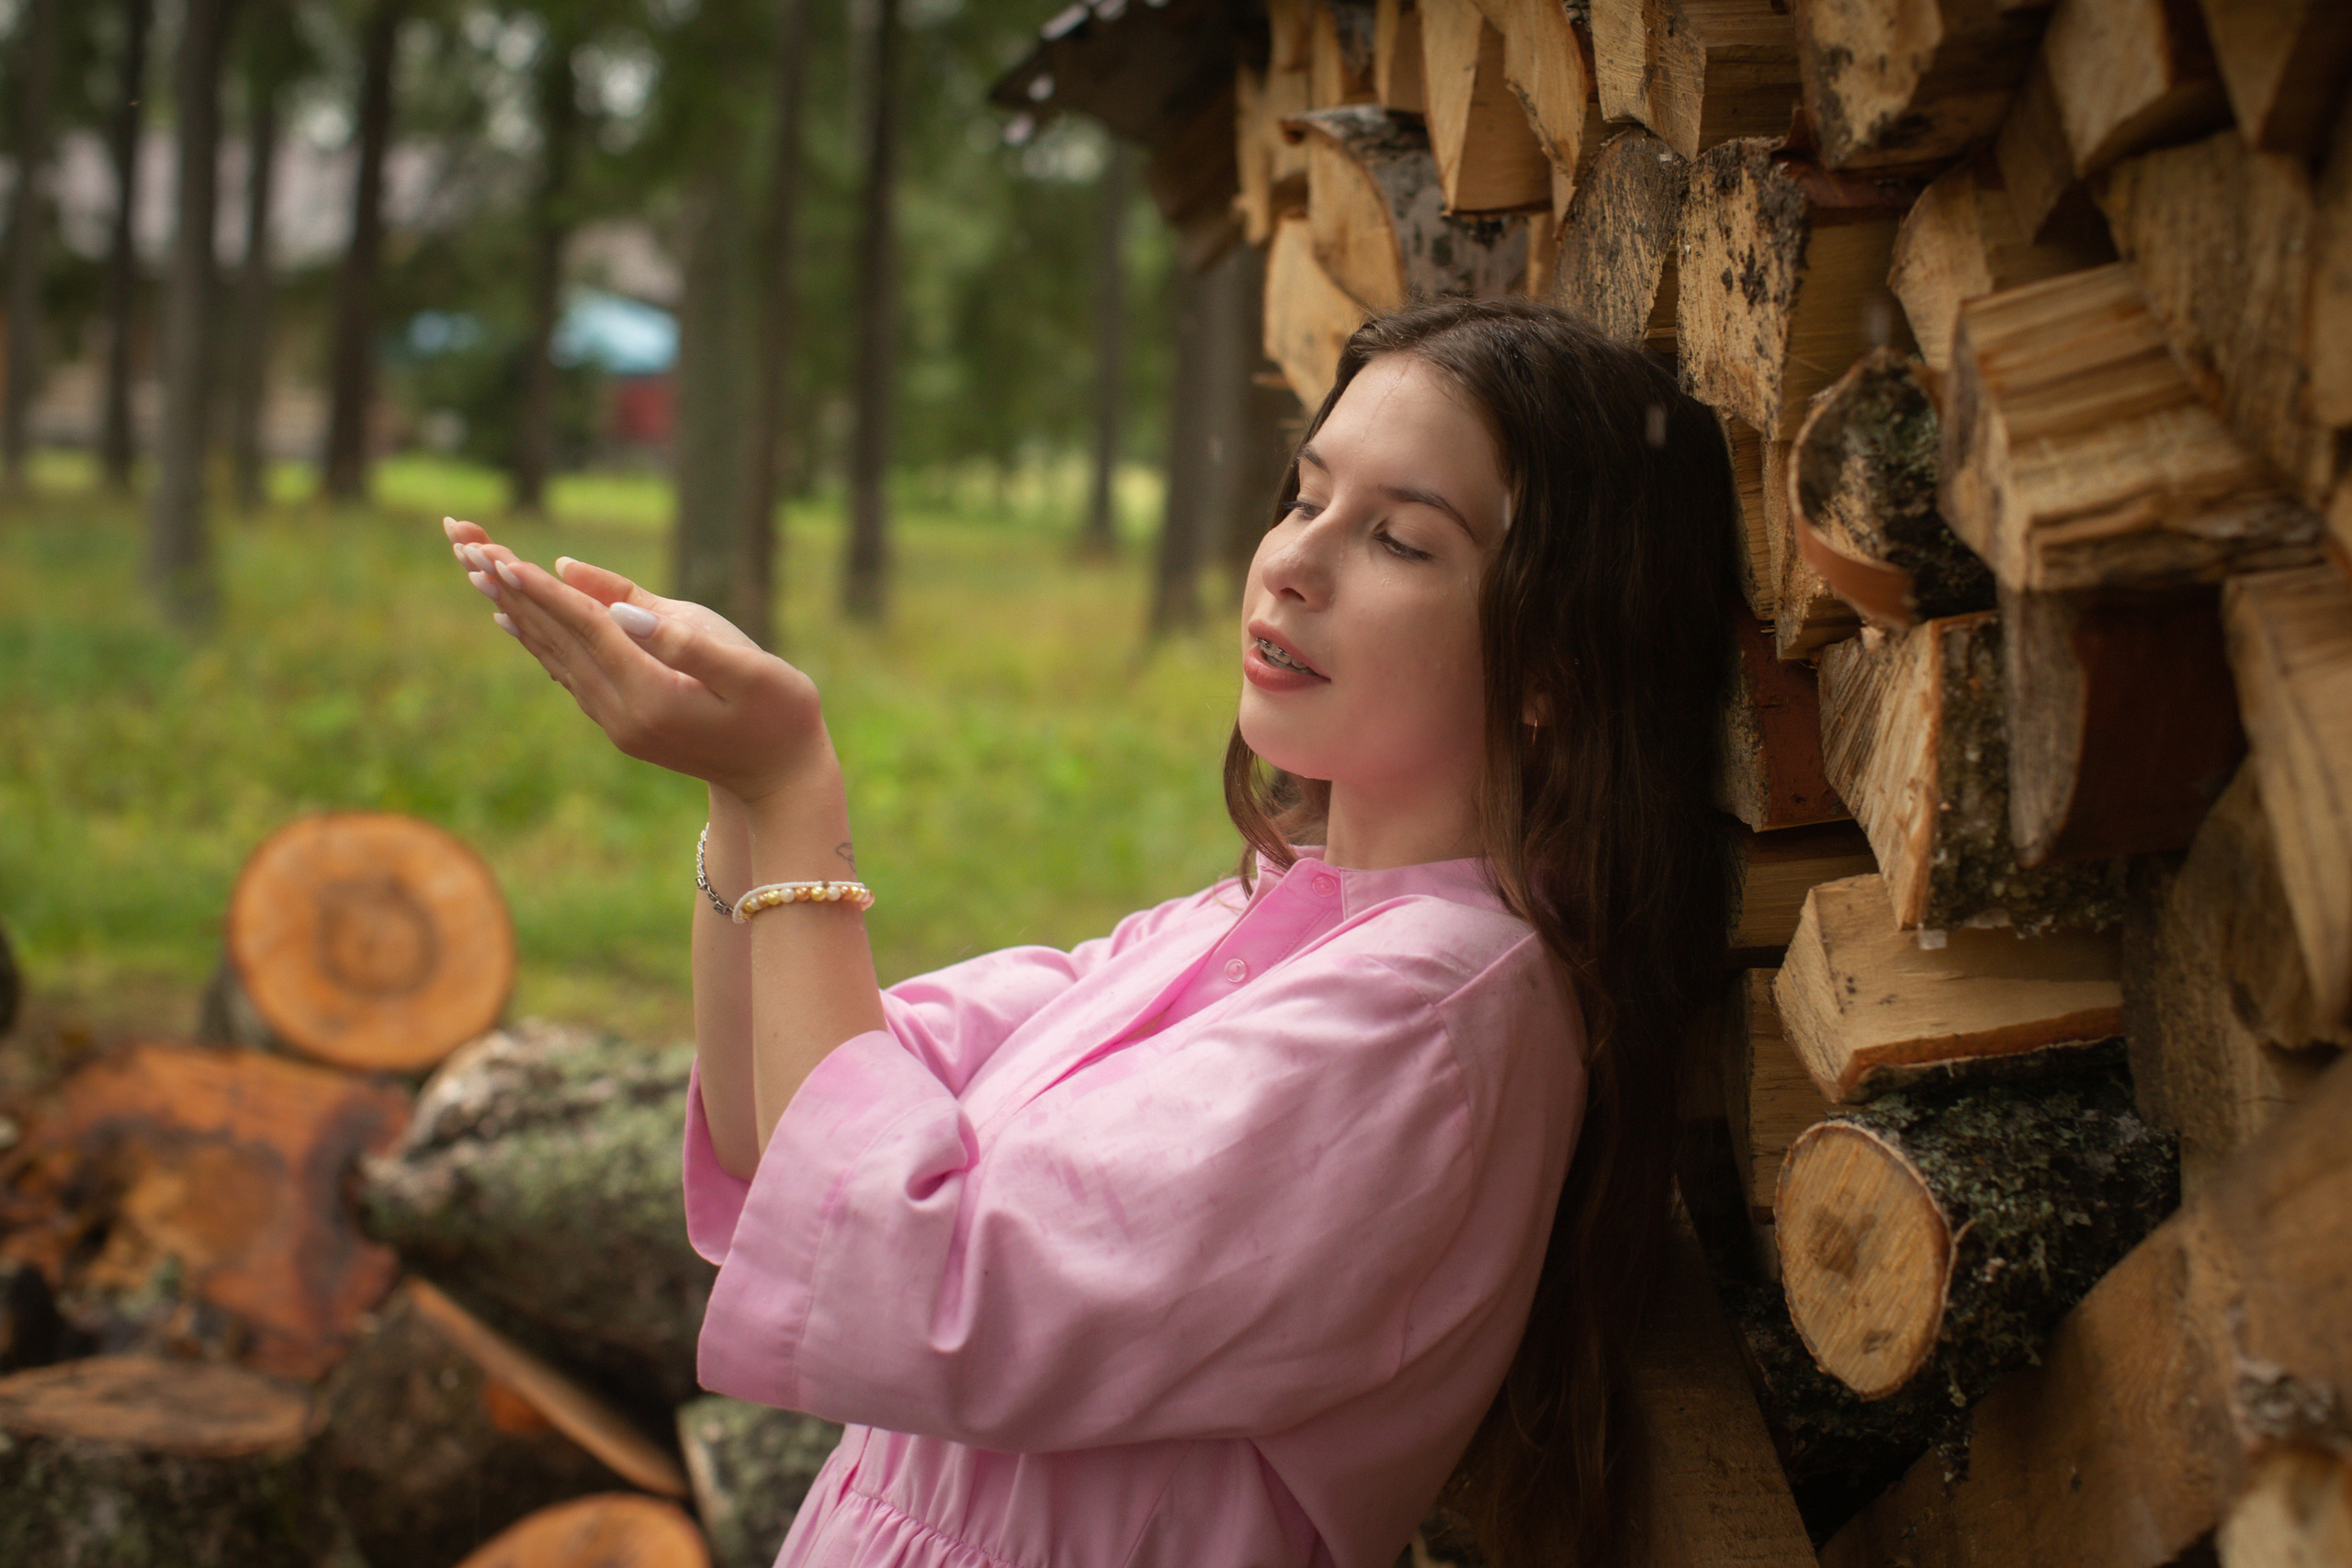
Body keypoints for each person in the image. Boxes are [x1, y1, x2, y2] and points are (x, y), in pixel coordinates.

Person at [444, 297, 1741, 1568]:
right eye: (1305, 495)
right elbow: (776, 1131)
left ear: (1550, 668)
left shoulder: (1436, 1016)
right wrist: (736, 792)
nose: (1293, 559)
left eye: (1400, 540)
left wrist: (795, 794)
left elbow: (925, 1281)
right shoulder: (1249, 926)